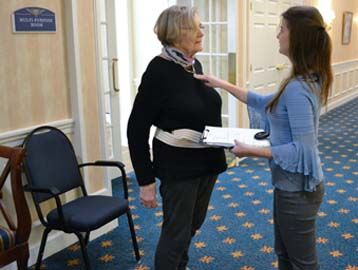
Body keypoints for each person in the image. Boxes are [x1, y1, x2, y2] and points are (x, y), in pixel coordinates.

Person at [195, 6, 332, 270]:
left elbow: (300, 150)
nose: (277, 35)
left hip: (298, 190)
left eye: (281, 29)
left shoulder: (297, 88)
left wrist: (251, 151)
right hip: (293, 186)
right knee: (285, 254)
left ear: (297, 37)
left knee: (302, 262)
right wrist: (221, 83)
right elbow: (262, 101)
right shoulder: (305, 79)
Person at [127, 5, 227, 270]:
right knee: (176, 234)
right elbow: (136, 129)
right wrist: (145, 181)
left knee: (192, 226)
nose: (201, 31)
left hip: (207, 163)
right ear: (175, 33)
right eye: (195, 27)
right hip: (179, 169)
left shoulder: (193, 65)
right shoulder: (158, 71)